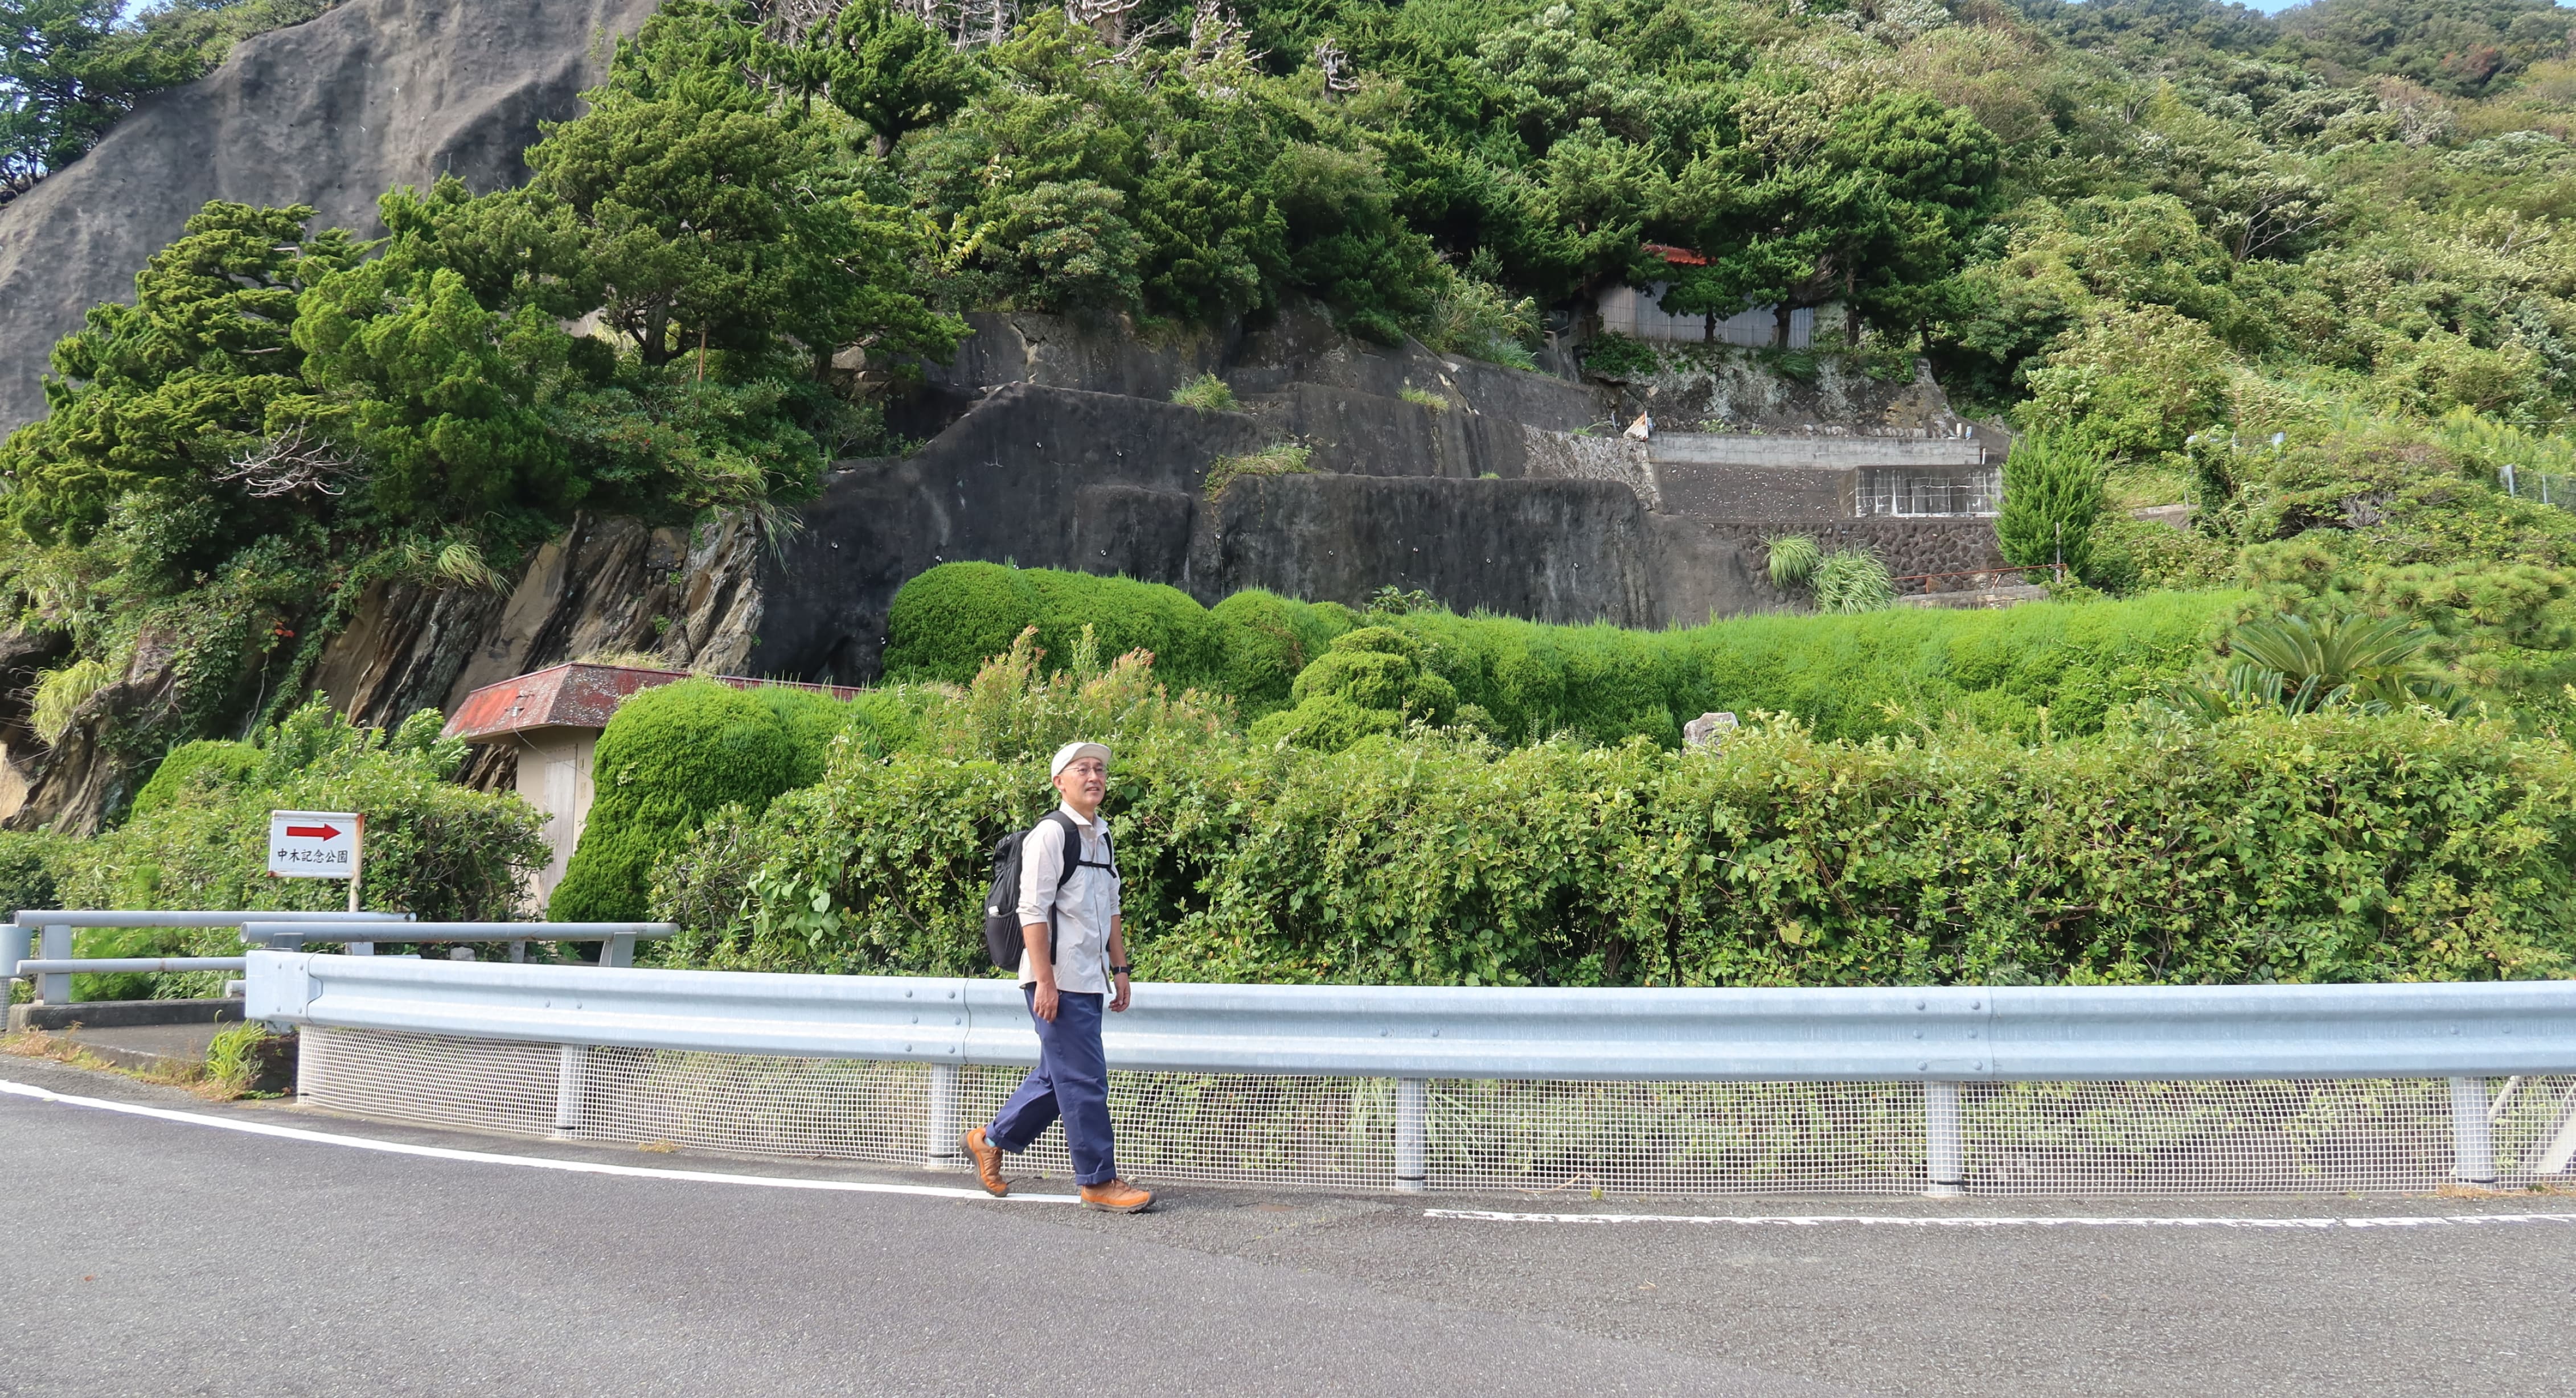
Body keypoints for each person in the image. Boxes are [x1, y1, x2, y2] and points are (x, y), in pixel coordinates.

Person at [963, 740, 1154, 1212]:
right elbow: (1032, 910)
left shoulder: (1102, 835)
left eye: (1100, 770)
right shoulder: (1050, 834)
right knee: (1085, 1080)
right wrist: (1044, 981)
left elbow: (1110, 907)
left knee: (1058, 1078)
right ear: (1059, 782)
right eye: (1083, 770)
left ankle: (990, 1139)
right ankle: (1098, 1180)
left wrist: (1121, 967)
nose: (1095, 777)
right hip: (1057, 981)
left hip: (1090, 979)